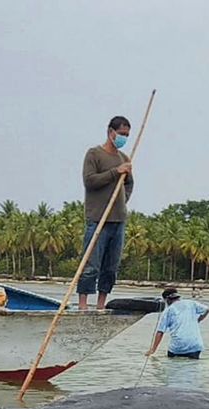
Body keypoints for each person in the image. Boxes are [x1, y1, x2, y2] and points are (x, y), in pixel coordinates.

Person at [77, 115, 134, 310]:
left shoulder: (125, 159)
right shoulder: (94, 154)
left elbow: (129, 184)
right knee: (91, 265)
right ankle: (83, 304)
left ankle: (101, 305)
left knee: (110, 267)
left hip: (118, 220)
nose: (123, 138)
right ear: (111, 132)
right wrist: (115, 172)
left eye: (127, 135)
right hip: (98, 218)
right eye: (121, 134)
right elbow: (90, 181)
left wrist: (122, 199)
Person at [145, 287, 209, 359]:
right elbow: (207, 310)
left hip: (178, 347)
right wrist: (199, 320)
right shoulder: (191, 303)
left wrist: (153, 350)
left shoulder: (168, 310)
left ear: (167, 300)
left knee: (172, 366)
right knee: (192, 367)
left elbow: (160, 332)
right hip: (195, 345)